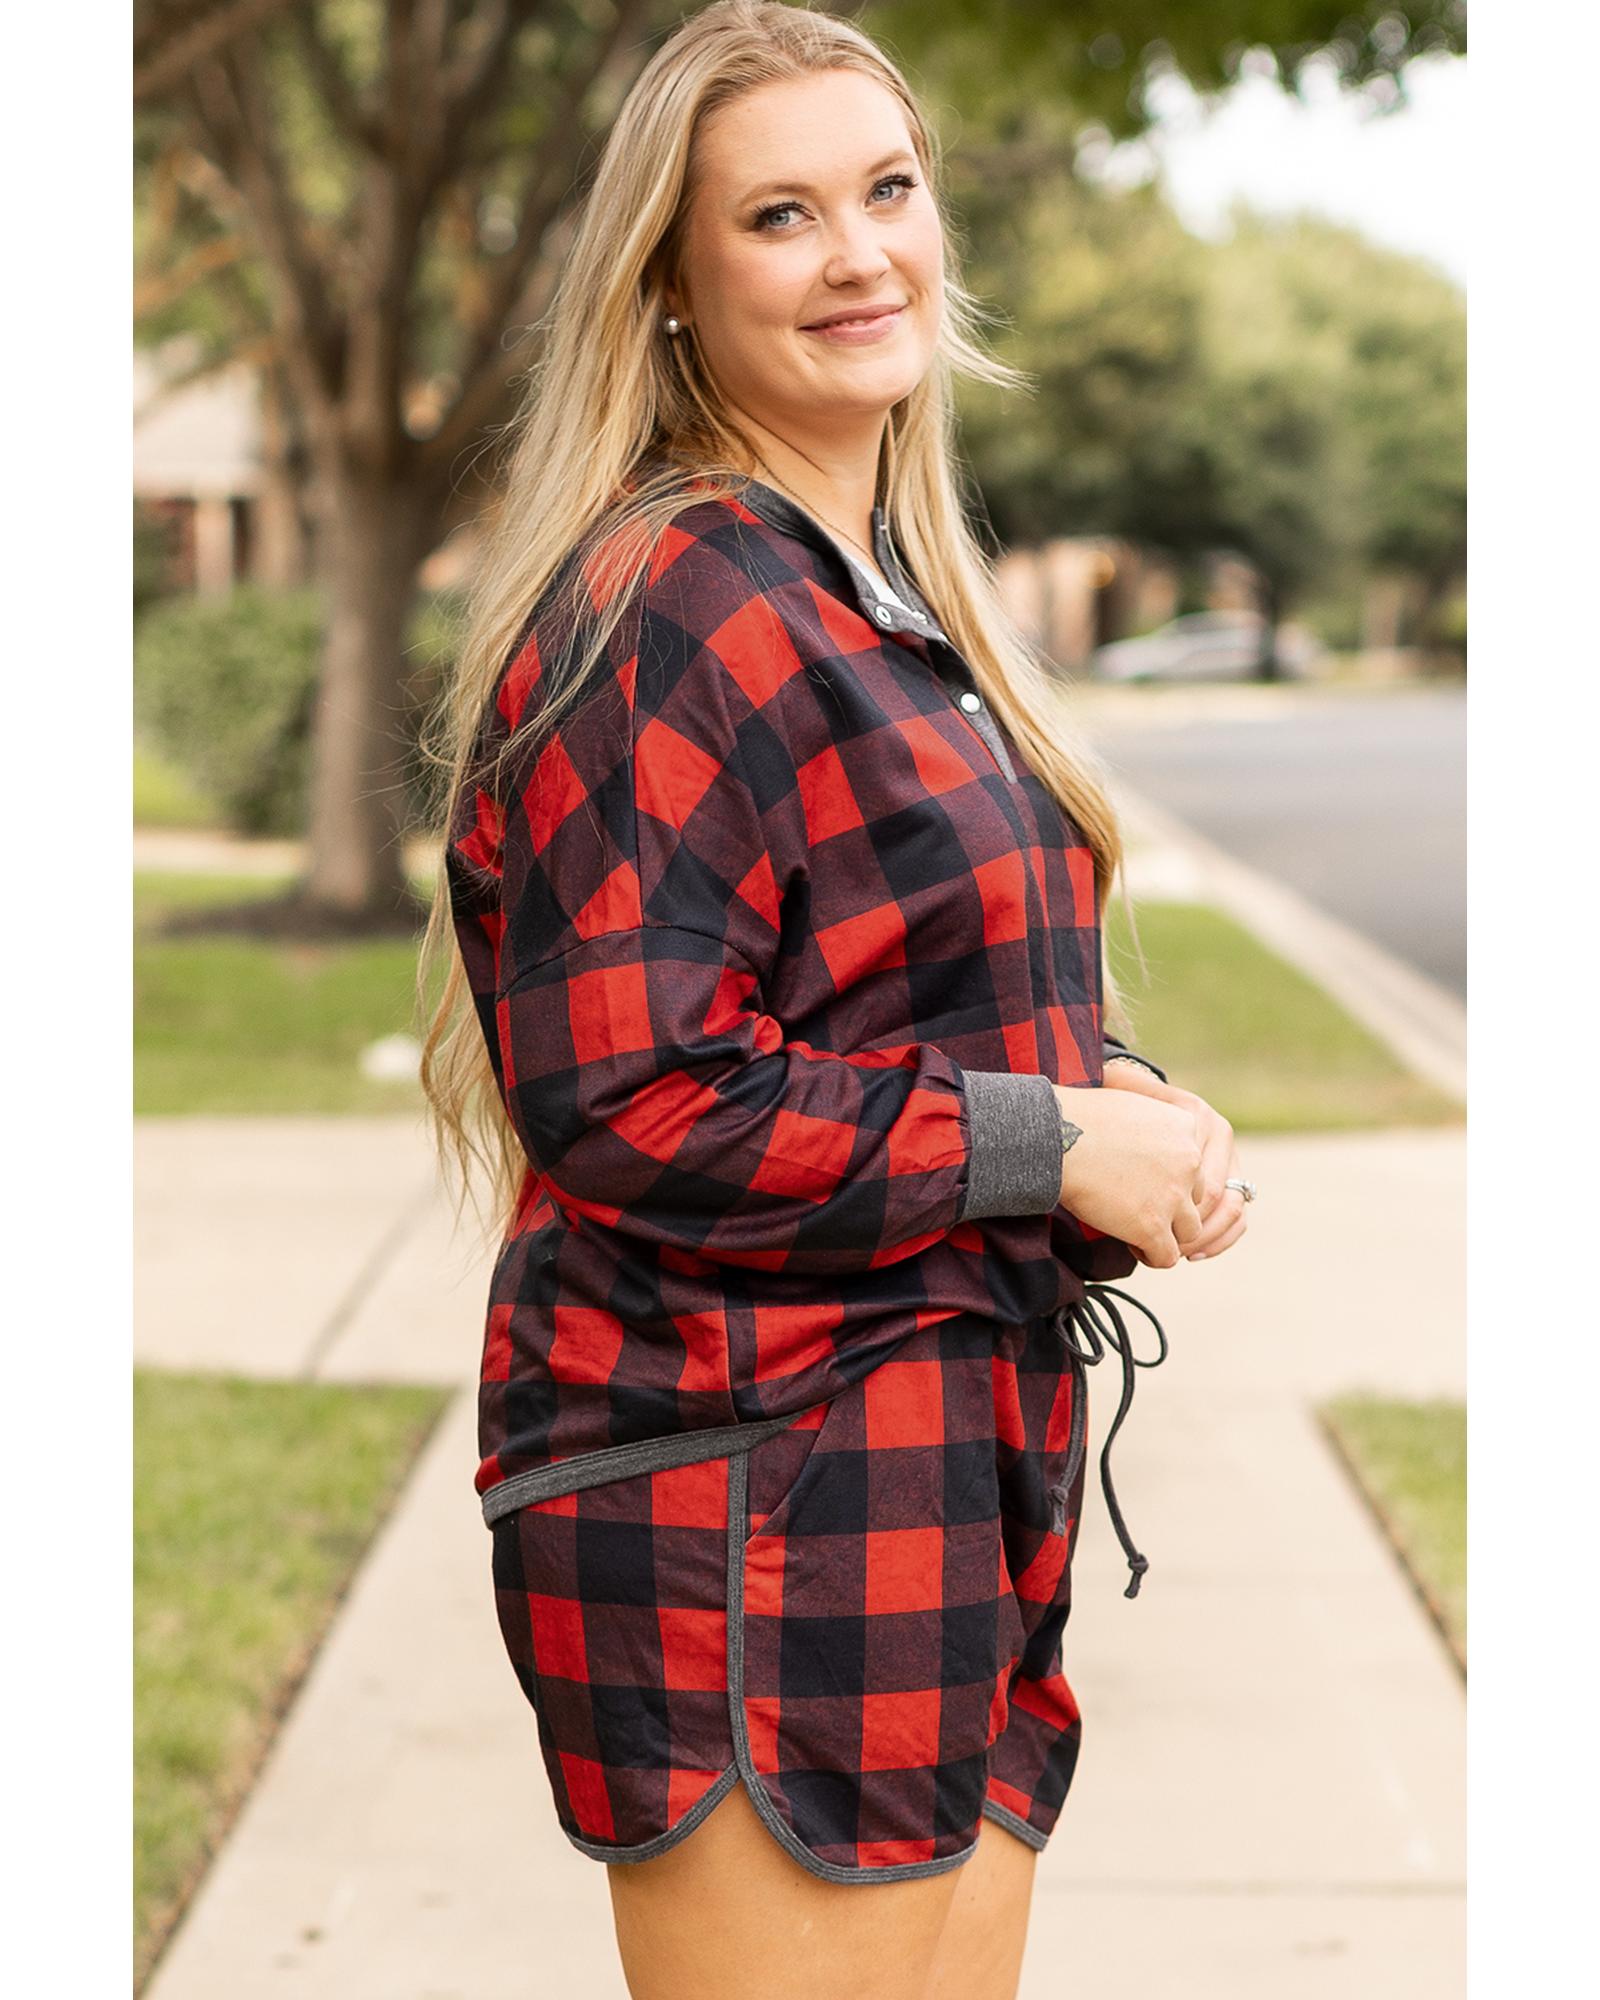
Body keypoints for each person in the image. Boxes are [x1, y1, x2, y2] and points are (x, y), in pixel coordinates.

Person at [418, 5, 1253, 1995]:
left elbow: (896, 991)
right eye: (779, 215)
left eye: (886, 190)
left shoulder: (873, 597)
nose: (859, 251)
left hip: (930, 1469)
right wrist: (1054, 1138)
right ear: (679, 291)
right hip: (746, 1496)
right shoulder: (676, 597)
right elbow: (632, 1092)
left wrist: (1119, 1100)